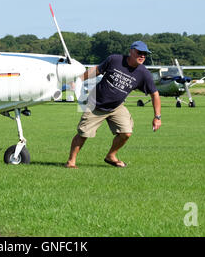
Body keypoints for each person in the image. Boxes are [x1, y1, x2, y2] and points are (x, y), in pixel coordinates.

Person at [65, 41, 161, 169]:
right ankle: (71, 162)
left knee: (126, 133)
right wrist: (79, 79)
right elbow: (97, 70)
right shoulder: (115, 60)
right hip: (96, 105)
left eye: (145, 54)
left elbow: (155, 94)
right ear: (131, 51)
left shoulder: (143, 73)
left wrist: (157, 117)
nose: (142, 56)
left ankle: (111, 156)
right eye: (140, 53)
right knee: (83, 134)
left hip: (116, 107)